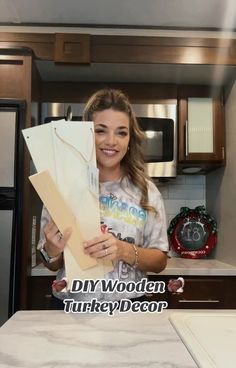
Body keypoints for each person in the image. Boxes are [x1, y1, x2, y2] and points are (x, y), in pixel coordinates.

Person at [38, 88, 182, 307]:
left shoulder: (147, 191)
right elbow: (52, 264)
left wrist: (123, 250)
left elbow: (160, 261)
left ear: (129, 138)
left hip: (130, 306)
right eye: (101, 131)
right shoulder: (63, 188)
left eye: (121, 132)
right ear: (87, 133)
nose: (111, 141)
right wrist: (52, 250)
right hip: (72, 306)